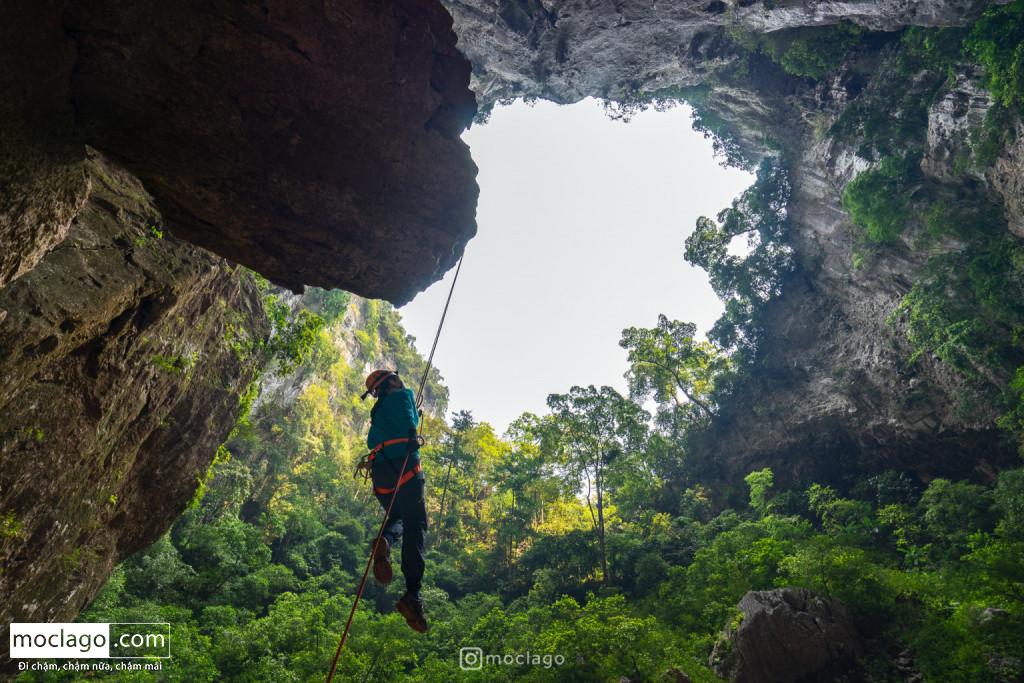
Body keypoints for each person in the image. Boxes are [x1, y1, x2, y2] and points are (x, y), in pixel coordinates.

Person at [361, 370, 428, 633]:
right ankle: (412, 593)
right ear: (390, 383)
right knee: (416, 525)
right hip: (406, 470)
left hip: (382, 475)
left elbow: (376, 439)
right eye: (395, 378)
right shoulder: (404, 396)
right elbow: (410, 418)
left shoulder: (376, 414)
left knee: (399, 516)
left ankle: (386, 541)